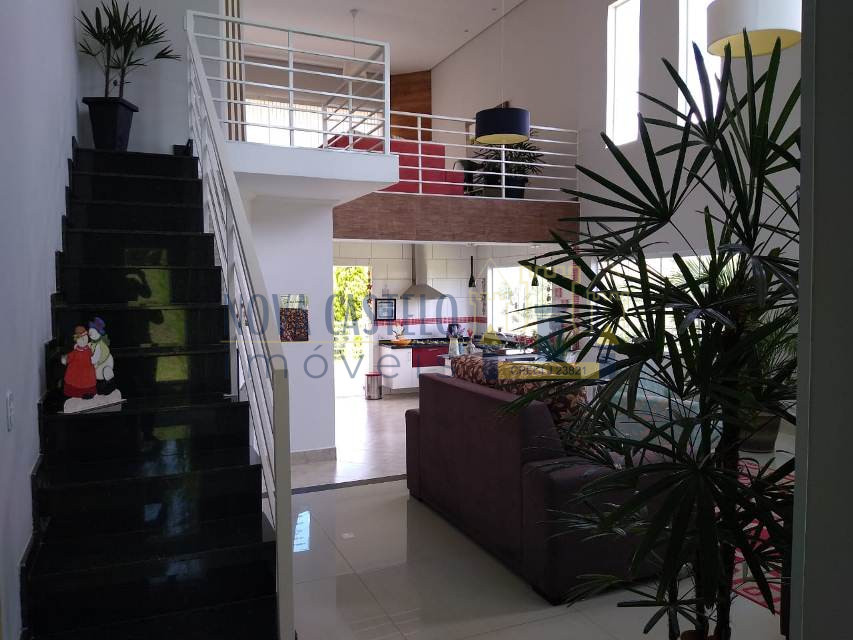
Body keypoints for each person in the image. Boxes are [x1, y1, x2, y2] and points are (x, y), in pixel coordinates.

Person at [62, 325, 97, 398]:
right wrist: (65, 359)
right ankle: (76, 393)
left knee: (88, 381)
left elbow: (93, 357)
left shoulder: (89, 350)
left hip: (87, 371)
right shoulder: (75, 352)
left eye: (85, 337)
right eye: (81, 338)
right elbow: (69, 357)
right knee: (75, 382)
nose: (83, 340)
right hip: (76, 371)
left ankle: (88, 393)